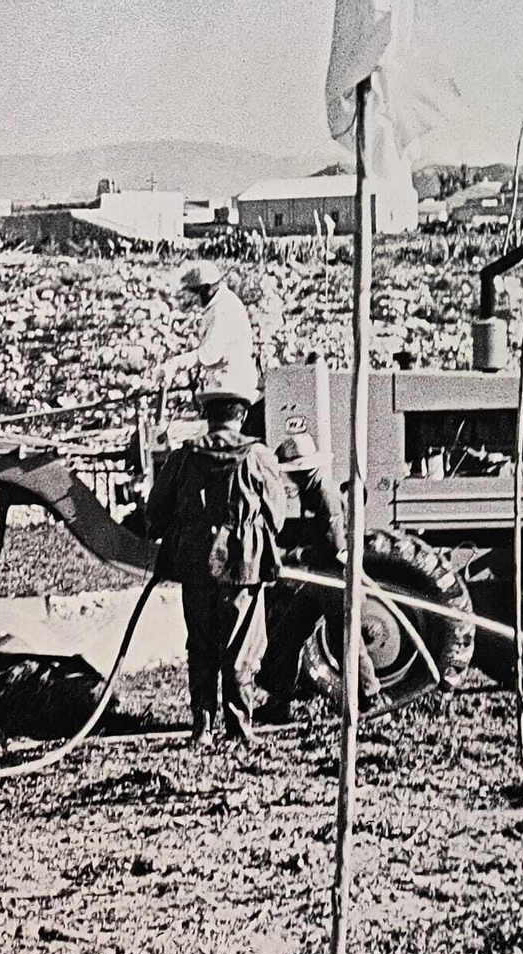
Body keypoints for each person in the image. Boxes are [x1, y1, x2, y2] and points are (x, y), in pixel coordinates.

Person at [146, 388, 287, 747]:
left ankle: (202, 728)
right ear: (241, 416)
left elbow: (156, 512)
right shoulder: (258, 455)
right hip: (244, 566)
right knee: (241, 646)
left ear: (207, 417)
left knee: (202, 644)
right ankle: (239, 729)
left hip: (196, 566)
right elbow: (278, 516)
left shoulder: (183, 456)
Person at [254, 433, 379, 722]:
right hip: (318, 583)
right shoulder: (311, 493)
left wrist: (295, 556)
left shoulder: (324, 495)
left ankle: (371, 698)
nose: (292, 478)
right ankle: (279, 701)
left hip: (336, 582)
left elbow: (336, 548)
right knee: (287, 633)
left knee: (346, 642)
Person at [161, 261, 263, 431]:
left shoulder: (224, 308)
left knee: (221, 439)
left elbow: (209, 354)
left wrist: (175, 364)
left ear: (207, 288)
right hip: (222, 384)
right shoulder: (217, 305)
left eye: (195, 292)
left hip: (232, 388)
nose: (194, 298)